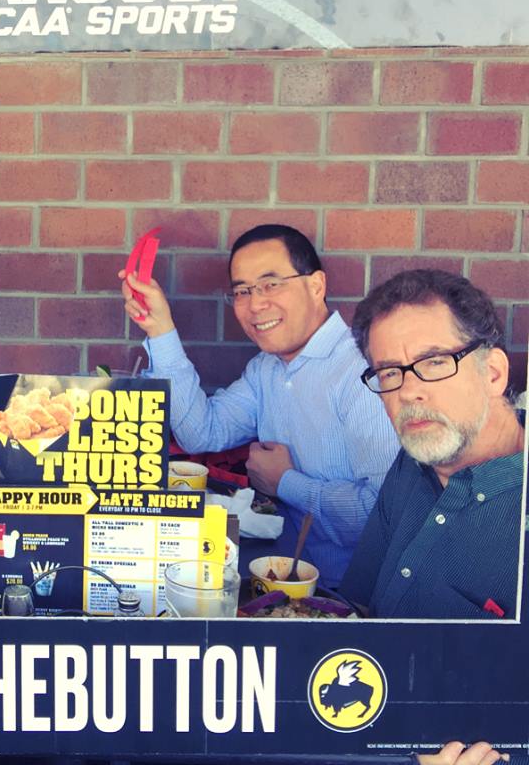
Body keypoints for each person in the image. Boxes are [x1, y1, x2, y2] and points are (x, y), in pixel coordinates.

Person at [120, 223, 400, 586]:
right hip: (274, 586)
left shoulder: (362, 372)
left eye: (271, 284)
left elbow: (384, 513)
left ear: (316, 286)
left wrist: (285, 483)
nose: (255, 304)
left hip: (349, 599)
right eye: (242, 291)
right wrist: (160, 330)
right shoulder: (266, 368)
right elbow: (201, 432)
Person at [340, 269, 524, 619]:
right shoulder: (415, 458)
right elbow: (359, 608)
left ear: (493, 374)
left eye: (435, 362)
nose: (409, 391)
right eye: (390, 372)